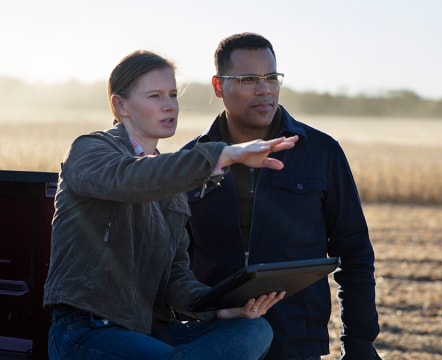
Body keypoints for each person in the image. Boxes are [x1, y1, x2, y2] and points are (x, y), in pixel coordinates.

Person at [43, 49, 299, 360]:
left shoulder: (172, 186)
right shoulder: (90, 151)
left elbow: (177, 280)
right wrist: (225, 154)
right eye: (155, 96)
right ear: (119, 105)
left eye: (173, 95)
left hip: (150, 332)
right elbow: (131, 179)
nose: (169, 105)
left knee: (255, 331)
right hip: (87, 331)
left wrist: (224, 310)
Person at [182, 33, 380, 359]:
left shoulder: (321, 152)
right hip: (214, 342)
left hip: (296, 344)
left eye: (272, 77)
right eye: (248, 79)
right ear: (218, 87)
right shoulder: (190, 162)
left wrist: (359, 343)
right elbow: (173, 264)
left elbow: (355, 253)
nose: (265, 89)